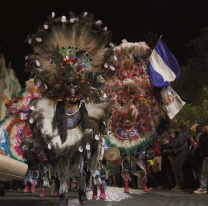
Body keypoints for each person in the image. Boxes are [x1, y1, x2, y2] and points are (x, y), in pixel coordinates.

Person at [173, 125, 189, 191]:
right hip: (186, 153)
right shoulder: (187, 134)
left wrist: (174, 145)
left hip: (181, 154)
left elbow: (180, 143)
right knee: (184, 169)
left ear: (180, 129)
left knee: (179, 169)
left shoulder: (180, 135)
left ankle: (182, 184)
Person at [194, 121, 208, 194]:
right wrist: (204, 156)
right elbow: (201, 148)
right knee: (204, 173)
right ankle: (203, 187)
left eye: (206, 126)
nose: (205, 127)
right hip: (205, 157)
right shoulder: (202, 136)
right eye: (204, 126)